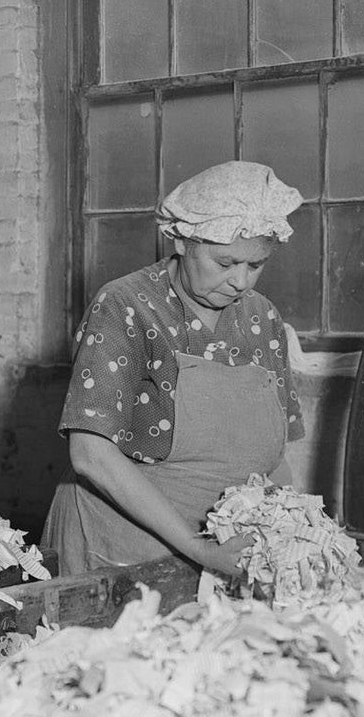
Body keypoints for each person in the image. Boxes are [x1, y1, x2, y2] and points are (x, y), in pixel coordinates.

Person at [42, 161, 306, 577]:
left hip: (222, 548)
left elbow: (277, 461)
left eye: (255, 265)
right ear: (182, 241)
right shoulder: (125, 306)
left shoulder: (261, 318)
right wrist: (198, 550)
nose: (241, 281)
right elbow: (91, 454)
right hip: (123, 547)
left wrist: (292, 534)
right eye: (225, 263)